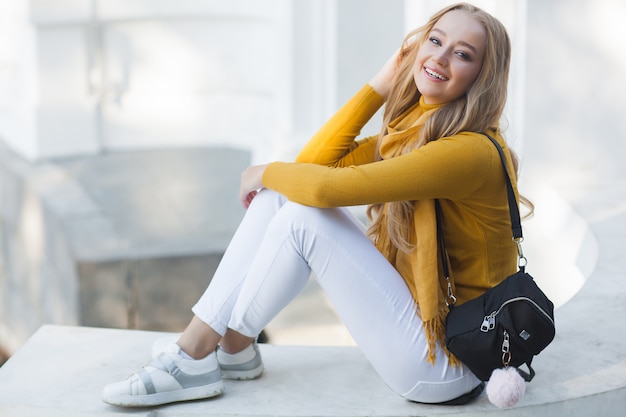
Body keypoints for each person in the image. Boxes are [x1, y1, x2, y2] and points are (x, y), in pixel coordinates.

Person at [103, 2, 525, 407]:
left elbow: (322, 190)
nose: (441, 57)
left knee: (303, 214)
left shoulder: (468, 153)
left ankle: (200, 350)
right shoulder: (417, 134)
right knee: (282, 198)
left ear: (481, 77)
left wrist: (265, 171)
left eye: (463, 54)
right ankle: (232, 347)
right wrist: (381, 84)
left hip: (454, 364)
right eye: (434, 41)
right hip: (429, 336)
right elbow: (312, 167)